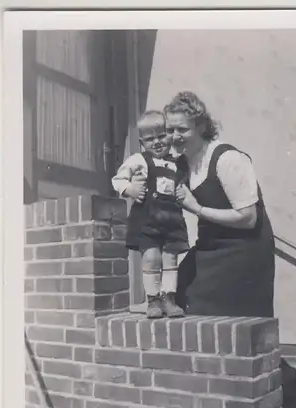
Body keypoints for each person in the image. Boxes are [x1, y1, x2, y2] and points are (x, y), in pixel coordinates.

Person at [163, 91, 275, 317]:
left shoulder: (227, 159)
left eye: (182, 129)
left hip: (242, 250)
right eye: (170, 130)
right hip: (209, 247)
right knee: (176, 294)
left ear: (201, 127)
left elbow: (248, 218)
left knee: (222, 319)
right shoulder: (183, 161)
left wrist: (197, 209)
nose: (175, 136)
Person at [112, 110, 189, 319]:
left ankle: (169, 298)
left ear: (169, 136)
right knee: (151, 258)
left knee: (170, 259)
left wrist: (182, 191)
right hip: (148, 221)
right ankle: (153, 299)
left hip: (171, 221)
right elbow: (118, 180)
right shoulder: (139, 160)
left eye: (161, 136)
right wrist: (131, 190)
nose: (156, 142)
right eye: (150, 139)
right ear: (142, 142)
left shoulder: (177, 163)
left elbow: (181, 185)